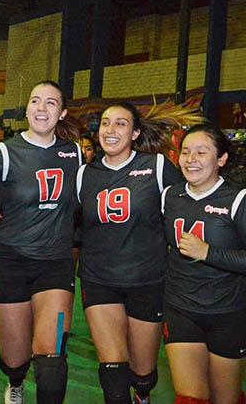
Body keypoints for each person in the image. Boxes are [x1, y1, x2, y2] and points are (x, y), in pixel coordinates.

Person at [75, 102, 195, 404]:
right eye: (105, 123)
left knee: (143, 374)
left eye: (120, 124)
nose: (110, 130)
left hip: (147, 280)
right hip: (99, 279)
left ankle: (143, 394)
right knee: (113, 369)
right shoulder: (84, 175)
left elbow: (188, 206)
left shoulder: (156, 167)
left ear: (135, 133)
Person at [0, 81, 83, 404]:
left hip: (56, 263)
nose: (41, 108)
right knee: (14, 359)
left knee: (52, 359)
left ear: (61, 113)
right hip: (12, 262)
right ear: (26, 109)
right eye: (35, 101)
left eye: (51, 103)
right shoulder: (5, 153)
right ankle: (15, 382)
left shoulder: (73, 152)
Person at [162, 124, 246, 404]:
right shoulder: (170, 196)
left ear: (221, 159)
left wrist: (208, 252)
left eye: (202, 152)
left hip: (229, 313)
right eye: (186, 152)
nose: (191, 159)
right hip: (180, 308)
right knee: (190, 397)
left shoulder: (239, 200)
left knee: (225, 398)